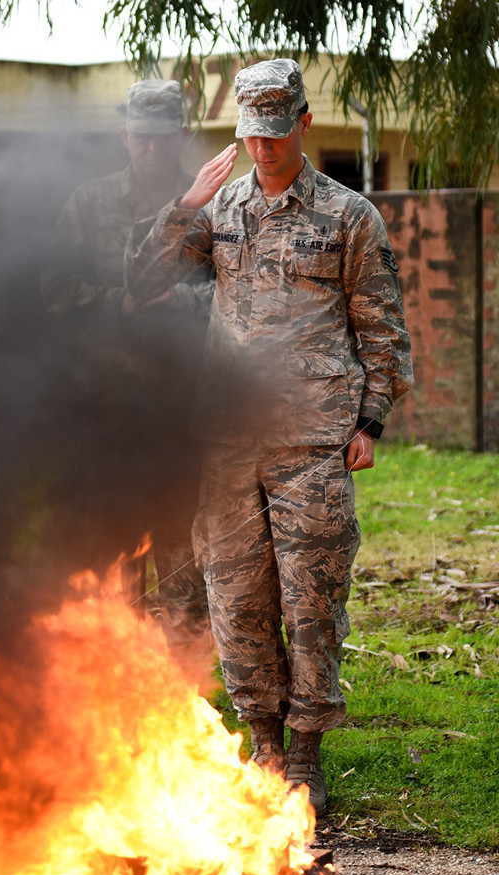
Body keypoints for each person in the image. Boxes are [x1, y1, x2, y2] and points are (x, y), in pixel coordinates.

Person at [124, 59, 413, 814]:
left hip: (313, 440)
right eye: (252, 136)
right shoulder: (219, 212)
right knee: (236, 598)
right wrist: (186, 201)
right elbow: (142, 278)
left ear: (304, 126)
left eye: (276, 136)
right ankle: (264, 745)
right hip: (226, 441)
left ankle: (309, 751)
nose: (263, 150)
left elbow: (382, 327)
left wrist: (371, 418)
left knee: (311, 601)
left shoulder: (350, 216)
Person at [41, 79, 214, 663]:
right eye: (140, 137)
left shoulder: (211, 203)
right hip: (107, 409)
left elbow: (241, 294)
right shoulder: (88, 203)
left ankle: (187, 690)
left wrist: (181, 305)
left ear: (181, 137)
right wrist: (115, 303)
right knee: (115, 555)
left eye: (163, 138)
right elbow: (53, 288)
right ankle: (119, 690)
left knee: (183, 556)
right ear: (124, 136)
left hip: (182, 410)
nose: (151, 149)